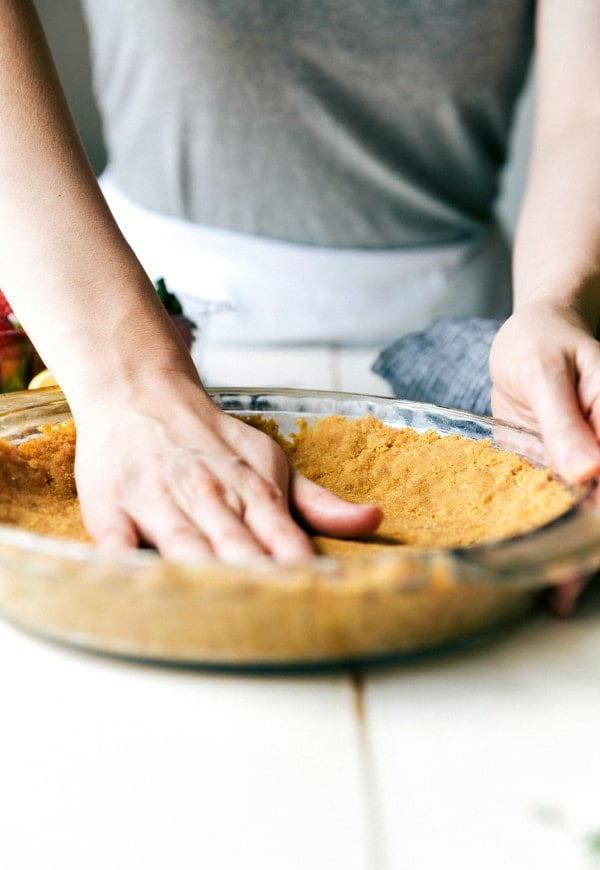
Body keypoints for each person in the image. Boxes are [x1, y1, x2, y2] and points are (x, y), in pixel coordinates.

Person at [1, 1, 600, 595]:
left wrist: (556, 303)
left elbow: (585, 113)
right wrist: (128, 384)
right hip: (108, 325)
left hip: (479, 348)